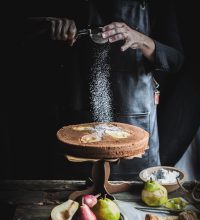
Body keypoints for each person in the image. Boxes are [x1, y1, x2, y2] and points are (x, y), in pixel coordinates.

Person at [16, 0, 184, 180]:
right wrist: (50, 26)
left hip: (137, 120)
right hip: (77, 116)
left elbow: (176, 60)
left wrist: (141, 40)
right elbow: (17, 30)